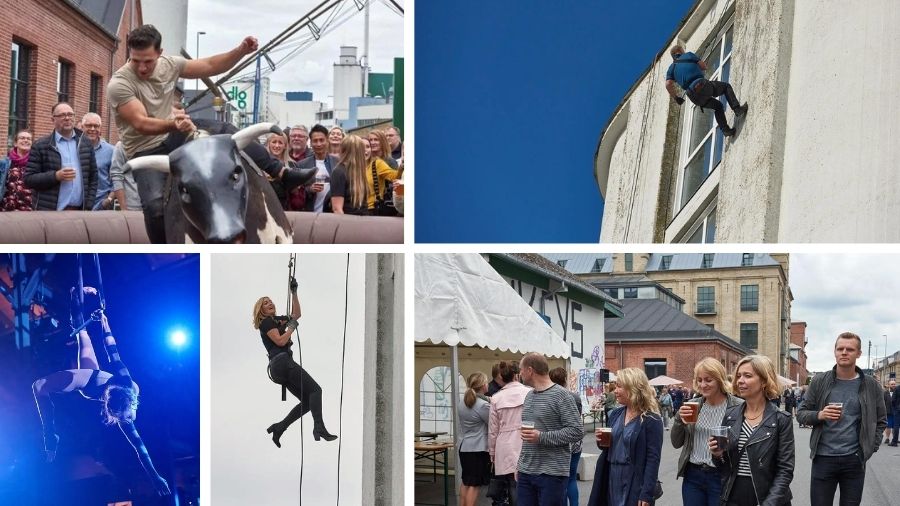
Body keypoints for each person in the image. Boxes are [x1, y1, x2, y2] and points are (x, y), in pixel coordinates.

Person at [107, 24, 258, 242]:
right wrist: (174, 124)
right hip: (145, 149)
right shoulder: (119, 83)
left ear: (160, 53)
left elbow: (209, 65)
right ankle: (161, 249)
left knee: (225, 132)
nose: (141, 68)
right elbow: (141, 123)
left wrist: (240, 51)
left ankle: (279, 170)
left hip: (173, 133)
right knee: (155, 205)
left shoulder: (170, 65)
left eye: (148, 61)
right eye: (135, 60)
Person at [31, 288, 169, 495]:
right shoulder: (126, 380)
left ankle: (49, 435)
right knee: (42, 382)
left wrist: (155, 475)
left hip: (90, 386)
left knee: (79, 337)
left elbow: (140, 447)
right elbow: (112, 349)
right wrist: (104, 321)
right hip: (92, 379)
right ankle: (74, 293)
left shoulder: (126, 416)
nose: (120, 420)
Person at [797, 332, 886, 505]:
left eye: (850, 349)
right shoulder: (819, 381)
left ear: (859, 354)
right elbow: (801, 414)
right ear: (835, 351)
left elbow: (881, 420)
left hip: (854, 460)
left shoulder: (871, 385)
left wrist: (869, 448)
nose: (844, 352)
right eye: (840, 348)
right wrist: (820, 415)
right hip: (823, 458)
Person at [253, 278, 336, 446]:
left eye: (271, 301)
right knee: (316, 391)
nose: (270, 303)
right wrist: (291, 328)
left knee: (307, 402)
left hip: (279, 368)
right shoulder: (266, 322)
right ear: (260, 310)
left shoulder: (276, 320)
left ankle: (280, 427)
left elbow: (296, 315)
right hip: (281, 363)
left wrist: (294, 293)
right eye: (266, 303)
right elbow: (281, 341)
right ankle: (319, 427)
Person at [710, 355, 793, 506]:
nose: (740, 380)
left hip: (767, 495)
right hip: (734, 494)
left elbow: (785, 470)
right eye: (739, 376)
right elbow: (723, 466)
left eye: (748, 376)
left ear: (763, 381)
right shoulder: (730, 415)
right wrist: (717, 455)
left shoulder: (781, 419)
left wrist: (770, 503)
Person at [672, 357, 743, 506]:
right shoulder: (692, 405)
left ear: (719, 380)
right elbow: (676, 443)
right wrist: (679, 420)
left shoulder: (737, 406)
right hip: (693, 475)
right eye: (699, 380)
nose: (703, 385)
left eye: (708, 380)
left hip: (721, 474)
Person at [587, 368, 663, 506]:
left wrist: (646, 493)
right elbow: (608, 447)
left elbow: (653, 459)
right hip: (611, 475)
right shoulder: (616, 414)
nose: (615, 390)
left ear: (633, 388)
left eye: (619, 386)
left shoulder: (652, 419)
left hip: (634, 479)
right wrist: (601, 441)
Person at [516, 353, 582, 506]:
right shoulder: (529, 396)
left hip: (552, 474)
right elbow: (528, 435)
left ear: (530, 370)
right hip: (526, 471)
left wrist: (542, 437)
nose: (519, 373)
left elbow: (576, 430)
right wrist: (520, 465)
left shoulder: (562, 396)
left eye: (521, 369)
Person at [24, 102, 98, 210]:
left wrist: (89, 204)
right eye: (62, 115)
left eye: (70, 114)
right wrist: (55, 176)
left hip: (79, 212)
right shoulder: (41, 145)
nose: (67, 118)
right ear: (53, 119)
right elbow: (29, 179)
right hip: (50, 213)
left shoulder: (85, 143)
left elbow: (93, 177)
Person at [665, 45, 748, 137]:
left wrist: (676, 98)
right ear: (680, 51)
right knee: (726, 87)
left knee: (718, 106)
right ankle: (737, 109)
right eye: (683, 51)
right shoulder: (688, 55)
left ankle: (725, 130)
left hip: (693, 96)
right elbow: (704, 66)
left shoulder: (671, 69)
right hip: (700, 85)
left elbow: (668, 84)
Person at [489, 360, 529, 506]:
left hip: (504, 443)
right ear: (517, 375)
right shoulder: (529, 393)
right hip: (525, 440)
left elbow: (493, 430)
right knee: (524, 484)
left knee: (510, 483)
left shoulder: (496, 398)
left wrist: (492, 453)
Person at [549, 367, 582, 506]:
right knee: (572, 478)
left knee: (558, 480)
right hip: (574, 442)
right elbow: (578, 418)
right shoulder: (574, 396)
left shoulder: (550, 396)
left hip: (557, 441)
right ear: (565, 379)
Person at [458, 372, 492, 506]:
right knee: (474, 484)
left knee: (466, 482)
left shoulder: (462, 403)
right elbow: (493, 423)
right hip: (477, 449)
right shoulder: (483, 405)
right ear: (483, 385)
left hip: (464, 446)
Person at [78, 113, 116, 210]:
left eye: (96, 126)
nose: (92, 129)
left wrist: (109, 200)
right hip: (78, 204)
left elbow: (117, 178)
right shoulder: (74, 148)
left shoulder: (111, 151)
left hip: (101, 205)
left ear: (100, 129)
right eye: (89, 125)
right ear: (82, 127)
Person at [298, 124, 338, 213]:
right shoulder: (302, 165)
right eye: (315, 141)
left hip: (331, 213)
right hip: (309, 213)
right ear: (311, 143)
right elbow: (296, 191)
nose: (319, 144)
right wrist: (309, 189)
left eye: (321, 140)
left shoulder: (338, 163)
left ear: (327, 140)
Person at [330, 136, 369, 215]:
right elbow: (337, 209)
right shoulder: (339, 172)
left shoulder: (359, 170)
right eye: (362, 149)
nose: (365, 152)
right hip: (348, 222)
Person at [363, 134, 399, 215]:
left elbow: (395, 177)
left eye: (376, 139)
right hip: (359, 208)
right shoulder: (355, 165)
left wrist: (402, 167)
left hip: (376, 207)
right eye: (371, 140)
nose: (373, 142)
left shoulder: (380, 162)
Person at [2, 129, 34, 211]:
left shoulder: (36, 162)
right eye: (22, 138)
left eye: (28, 139)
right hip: (7, 209)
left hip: (30, 210)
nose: (25, 140)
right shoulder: (5, 163)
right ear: (15, 143)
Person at [109, 141, 142, 210]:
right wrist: (124, 209)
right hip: (132, 206)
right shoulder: (122, 145)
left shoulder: (156, 143)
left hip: (155, 206)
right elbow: (116, 175)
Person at [265, 132, 293, 210]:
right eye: (274, 142)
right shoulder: (260, 164)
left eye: (280, 143)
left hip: (285, 208)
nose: (277, 145)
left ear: (285, 146)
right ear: (268, 144)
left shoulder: (292, 165)